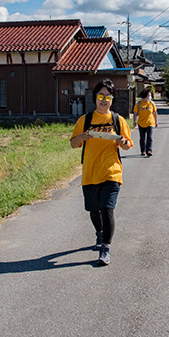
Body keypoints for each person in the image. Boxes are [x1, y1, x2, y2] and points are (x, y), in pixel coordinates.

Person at [70, 79, 133, 266]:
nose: (103, 100)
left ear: (112, 99)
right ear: (95, 98)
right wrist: (83, 136)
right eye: (100, 96)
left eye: (107, 97)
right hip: (90, 172)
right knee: (93, 209)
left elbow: (129, 144)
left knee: (107, 209)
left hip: (112, 172)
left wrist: (123, 143)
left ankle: (106, 246)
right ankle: (99, 233)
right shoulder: (85, 120)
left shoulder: (118, 120)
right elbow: (73, 143)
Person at [132, 87, 158, 157]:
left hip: (150, 123)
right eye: (149, 95)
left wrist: (156, 122)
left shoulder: (152, 103)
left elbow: (155, 113)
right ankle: (142, 150)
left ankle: (149, 150)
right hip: (141, 123)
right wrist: (134, 121)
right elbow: (135, 114)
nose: (150, 96)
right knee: (142, 138)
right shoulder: (139, 104)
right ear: (145, 95)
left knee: (149, 137)